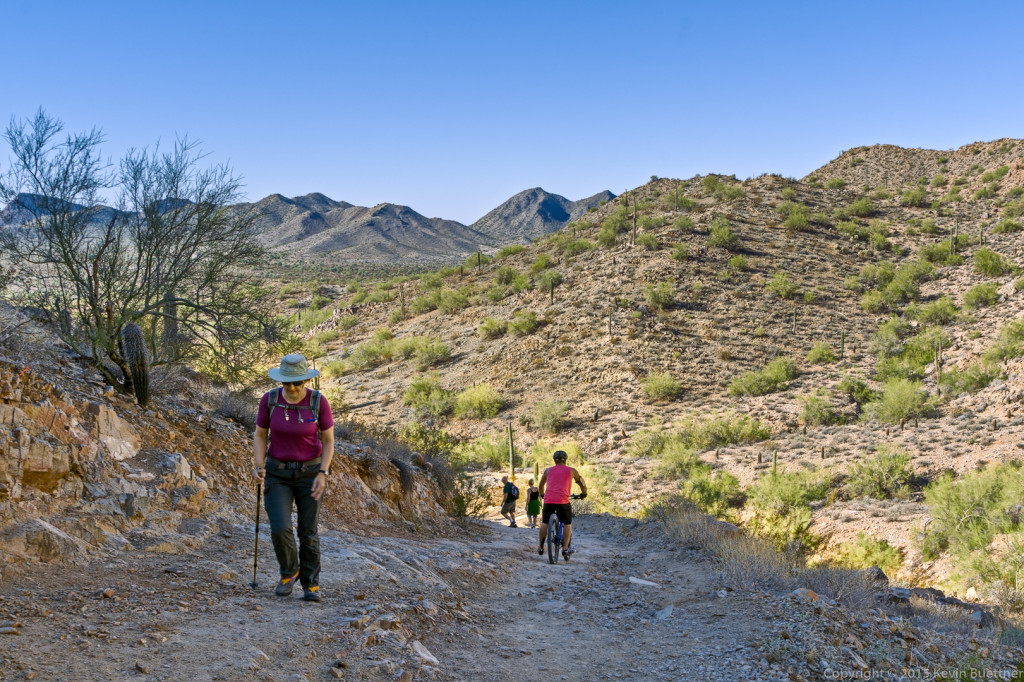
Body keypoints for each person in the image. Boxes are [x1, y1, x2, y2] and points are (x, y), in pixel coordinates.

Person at [253, 353, 334, 602]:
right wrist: (258, 465)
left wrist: (323, 471)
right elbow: (260, 435)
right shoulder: (270, 400)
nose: (291, 388)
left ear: (304, 381)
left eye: (297, 383)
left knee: (308, 531)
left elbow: (328, 440)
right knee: (280, 527)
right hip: (277, 471)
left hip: (310, 472)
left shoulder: (319, 402)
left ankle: (311, 585)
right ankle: (290, 572)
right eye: (287, 383)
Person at [538, 450, 587, 559]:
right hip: (563, 502)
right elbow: (581, 483)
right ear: (565, 459)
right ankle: (565, 549)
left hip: (548, 501)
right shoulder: (572, 471)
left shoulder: (548, 471)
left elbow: (540, 485)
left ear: (554, 460)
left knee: (545, 522)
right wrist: (584, 493)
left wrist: (542, 495)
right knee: (567, 523)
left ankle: (540, 547)